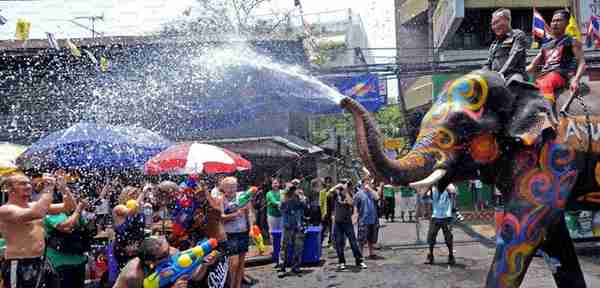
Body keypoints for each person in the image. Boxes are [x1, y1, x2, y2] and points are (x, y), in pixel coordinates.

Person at [0, 173, 76, 288]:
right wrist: (48, 189)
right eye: (22, 183)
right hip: (20, 264)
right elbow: (37, 213)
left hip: (42, 261)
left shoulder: (34, 205)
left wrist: (64, 189)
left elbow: (69, 207)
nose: (28, 186)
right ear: (9, 189)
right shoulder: (6, 209)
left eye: (28, 183)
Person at [527, 9, 586, 107]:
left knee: (547, 82)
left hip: (561, 75)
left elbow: (582, 63)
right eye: (553, 21)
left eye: (559, 20)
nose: (555, 23)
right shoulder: (545, 45)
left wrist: (576, 79)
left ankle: (547, 111)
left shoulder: (572, 41)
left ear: (567, 23)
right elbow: (532, 66)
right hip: (543, 75)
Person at [113, 236, 217, 288]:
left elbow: (195, 276)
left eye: (168, 248)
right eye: (165, 254)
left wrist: (204, 263)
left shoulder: (169, 252)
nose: (171, 253)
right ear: (151, 262)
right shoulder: (134, 276)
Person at [44, 199, 91, 288]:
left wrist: (85, 211)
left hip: (79, 260)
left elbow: (86, 227)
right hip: (61, 263)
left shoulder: (73, 213)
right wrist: (78, 210)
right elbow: (66, 227)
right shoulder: (52, 213)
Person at [220, 177, 253, 288]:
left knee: (241, 263)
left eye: (234, 186)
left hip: (243, 232)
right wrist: (235, 214)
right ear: (223, 188)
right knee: (233, 263)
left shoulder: (242, 196)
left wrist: (252, 229)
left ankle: (237, 285)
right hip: (230, 234)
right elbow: (222, 217)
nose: (231, 189)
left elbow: (249, 213)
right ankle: (231, 284)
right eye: (229, 186)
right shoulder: (221, 199)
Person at [485, 8, 528, 82]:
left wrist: (500, 74)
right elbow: (488, 64)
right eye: (492, 24)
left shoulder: (518, 35)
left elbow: (513, 57)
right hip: (495, 79)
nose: (494, 27)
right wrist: (480, 74)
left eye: (497, 22)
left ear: (507, 20)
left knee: (515, 82)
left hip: (513, 75)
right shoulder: (494, 43)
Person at [331, 180, 366, 271]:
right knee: (339, 243)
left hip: (347, 222)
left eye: (346, 185)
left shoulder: (349, 194)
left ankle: (359, 260)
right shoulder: (336, 194)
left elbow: (351, 203)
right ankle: (341, 262)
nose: (344, 187)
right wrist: (337, 186)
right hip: (338, 223)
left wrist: (346, 191)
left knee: (353, 242)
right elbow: (329, 193)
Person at [112, 185, 148, 270]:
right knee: (127, 274)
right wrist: (143, 192)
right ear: (124, 195)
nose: (134, 195)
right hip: (123, 249)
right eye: (131, 193)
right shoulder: (119, 208)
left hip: (138, 248)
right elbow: (130, 211)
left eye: (135, 193)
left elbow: (143, 227)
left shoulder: (139, 210)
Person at [277, 184, 308, 277]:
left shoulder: (298, 197)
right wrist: (286, 196)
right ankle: (282, 267)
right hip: (287, 225)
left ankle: (296, 267)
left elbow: (304, 205)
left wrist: (300, 196)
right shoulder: (284, 198)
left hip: (298, 225)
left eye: (293, 189)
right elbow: (281, 208)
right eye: (291, 189)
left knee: (298, 247)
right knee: (284, 247)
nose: (292, 191)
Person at [426, 184, 457, 265]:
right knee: (431, 236)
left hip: (446, 216)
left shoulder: (449, 186)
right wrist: (429, 215)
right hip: (435, 216)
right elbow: (429, 199)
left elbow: (453, 192)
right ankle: (431, 255)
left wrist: (443, 184)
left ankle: (451, 256)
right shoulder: (432, 188)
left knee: (448, 238)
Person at [354, 174, 380, 260]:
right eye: (367, 182)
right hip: (363, 219)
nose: (369, 183)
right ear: (363, 183)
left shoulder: (372, 192)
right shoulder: (358, 194)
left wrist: (370, 189)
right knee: (361, 239)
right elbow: (355, 207)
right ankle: (360, 254)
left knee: (371, 238)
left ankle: (371, 253)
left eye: (369, 182)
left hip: (373, 219)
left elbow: (377, 197)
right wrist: (354, 217)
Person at [319, 176, 333, 247]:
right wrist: (321, 214)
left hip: (332, 213)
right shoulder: (322, 192)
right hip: (325, 213)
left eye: (329, 182)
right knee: (323, 229)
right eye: (327, 182)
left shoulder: (333, 191)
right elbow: (321, 204)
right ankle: (320, 242)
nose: (328, 184)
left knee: (332, 229)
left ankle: (330, 243)